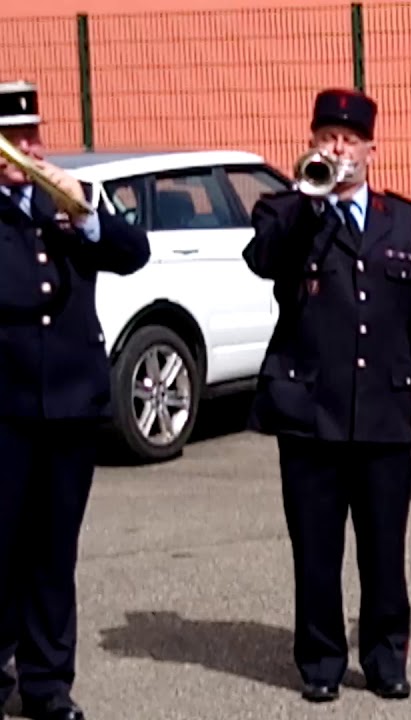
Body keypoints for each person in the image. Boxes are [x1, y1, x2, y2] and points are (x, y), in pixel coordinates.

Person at [241, 87, 411, 704]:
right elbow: (265, 261)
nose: (338, 147)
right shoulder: (286, 212)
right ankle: (320, 661)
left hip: (384, 410)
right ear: (310, 143)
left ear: (371, 150)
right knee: (315, 548)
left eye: (350, 140)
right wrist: (312, 199)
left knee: (385, 549)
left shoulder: (407, 221)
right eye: (327, 137)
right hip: (309, 412)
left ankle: (386, 657)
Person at [0, 80, 150, 720]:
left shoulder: (69, 202)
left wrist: (87, 218)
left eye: (33, 137)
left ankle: (47, 683)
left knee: (54, 552)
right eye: (13, 140)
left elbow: (133, 253)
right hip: (4, 406)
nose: (28, 150)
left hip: (70, 403)